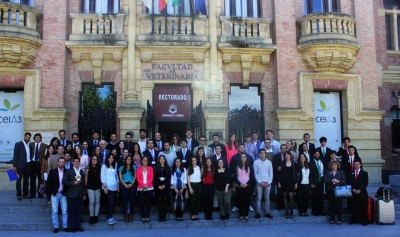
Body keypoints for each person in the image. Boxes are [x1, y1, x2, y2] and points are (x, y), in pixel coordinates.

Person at [62, 157, 86, 232]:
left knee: (78, 211)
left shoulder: (81, 171)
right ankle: (72, 227)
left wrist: (84, 194)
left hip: (80, 194)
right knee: (72, 211)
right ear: (72, 162)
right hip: (72, 194)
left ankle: (78, 226)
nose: (76, 162)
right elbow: (64, 181)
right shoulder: (69, 171)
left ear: (79, 163)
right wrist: (73, 183)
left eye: (77, 161)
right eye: (75, 161)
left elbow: (83, 184)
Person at [47, 157, 68, 233]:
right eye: (60, 162)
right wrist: (51, 192)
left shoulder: (67, 171)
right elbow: (48, 183)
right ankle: (56, 226)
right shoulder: (53, 172)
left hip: (63, 194)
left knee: (65, 211)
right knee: (54, 211)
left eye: (63, 162)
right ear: (57, 163)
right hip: (55, 194)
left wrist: (66, 192)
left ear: (64, 163)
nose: (61, 163)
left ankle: (65, 226)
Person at [254, 149, 273, 219]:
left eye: (263, 153)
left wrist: (269, 182)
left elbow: (271, 173)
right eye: (261, 153)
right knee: (258, 198)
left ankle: (267, 212)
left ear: (265, 154)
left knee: (267, 198)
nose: (262, 154)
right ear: (259, 154)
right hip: (259, 182)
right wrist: (260, 182)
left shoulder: (269, 163)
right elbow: (255, 173)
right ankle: (258, 212)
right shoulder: (256, 162)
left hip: (268, 182)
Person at [324, 160, 346, 225]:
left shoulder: (341, 172)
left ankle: (339, 219)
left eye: (335, 165)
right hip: (330, 191)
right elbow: (325, 180)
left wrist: (339, 181)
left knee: (339, 205)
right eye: (333, 165)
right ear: (331, 166)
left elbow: (344, 180)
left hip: (339, 190)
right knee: (331, 205)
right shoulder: (328, 172)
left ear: (337, 166)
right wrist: (332, 180)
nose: (334, 166)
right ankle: (332, 219)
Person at [234, 153, 254, 221]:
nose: (243, 158)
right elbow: (235, 176)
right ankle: (241, 215)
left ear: (246, 158)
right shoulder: (237, 166)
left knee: (247, 201)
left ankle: (246, 215)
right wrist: (240, 184)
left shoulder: (250, 166)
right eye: (242, 157)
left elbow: (252, 177)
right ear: (240, 158)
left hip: (247, 186)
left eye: (244, 157)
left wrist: (247, 184)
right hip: (239, 186)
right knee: (240, 201)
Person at [348, 159, 369, 226]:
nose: (356, 165)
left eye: (358, 164)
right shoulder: (350, 173)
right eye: (355, 164)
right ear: (353, 165)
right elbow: (348, 182)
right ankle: (353, 220)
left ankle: (364, 221)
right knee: (353, 207)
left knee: (363, 207)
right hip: (353, 193)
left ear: (360, 165)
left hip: (362, 193)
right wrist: (353, 189)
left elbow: (365, 183)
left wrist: (360, 189)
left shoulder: (365, 173)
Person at [101, 153, 119, 225]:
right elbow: (102, 176)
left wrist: (118, 186)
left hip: (114, 186)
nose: (111, 159)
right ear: (107, 158)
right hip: (107, 187)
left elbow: (116, 176)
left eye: (112, 157)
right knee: (110, 203)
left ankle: (110, 217)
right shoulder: (104, 166)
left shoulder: (115, 165)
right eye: (109, 157)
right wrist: (105, 187)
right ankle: (109, 218)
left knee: (113, 203)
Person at [12, 132, 32, 200]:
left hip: (28, 164)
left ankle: (25, 194)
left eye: (29, 137)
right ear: (24, 137)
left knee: (26, 180)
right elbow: (15, 155)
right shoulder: (18, 144)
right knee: (19, 181)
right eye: (27, 137)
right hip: (20, 165)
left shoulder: (29, 145)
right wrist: (14, 166)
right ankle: (19, 194)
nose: (28, 138)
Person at [278, 151, 297, 218]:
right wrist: (279, 182)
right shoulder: (282, 163)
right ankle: (286, 212)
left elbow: (296, 174)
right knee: (285, 196)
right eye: (286, 155)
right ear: (284, 156)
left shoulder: (294, 164)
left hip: (291, 182)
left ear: (290, 156)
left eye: (288, 155)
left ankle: (291, 211)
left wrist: (296, 183)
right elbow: (279, 174)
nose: (287, 156)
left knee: (291, 196)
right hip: (283, 182)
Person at [29, 133, 48, 198]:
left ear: (40, 138)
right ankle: (32, 194)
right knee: (32, 180)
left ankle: (40, 193)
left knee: (41, 180)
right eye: (36, 137)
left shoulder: (45, 146)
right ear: (34, 139)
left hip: (40, 164)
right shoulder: (30, 145)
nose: (37, 139)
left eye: (38, 137)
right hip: (33, 164)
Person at [118, 156, 136, 223]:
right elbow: (120, 178)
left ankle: (131, 215)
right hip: (124, 184)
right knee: (125, 200)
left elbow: (135, 176)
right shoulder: (121, 168)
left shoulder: (134, 167)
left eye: (130, 159)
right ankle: (125, 215)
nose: (128, 160)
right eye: (127, 159)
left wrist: (131, 183)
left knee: (132, 200)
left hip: (132, 184)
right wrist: (124, 184)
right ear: (125, 160)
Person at [137, 156, 154, 223]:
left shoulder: (151, 168)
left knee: (148, 203)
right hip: (141, 188)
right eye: (144, 160)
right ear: (142, 161)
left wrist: (146, 185)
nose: (145, 161)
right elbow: (138, 178)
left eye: (146, 160)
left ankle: (147, 217)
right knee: (142, 203)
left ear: (147, 161)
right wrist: (143, 185)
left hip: (149, 188)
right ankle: (143, 217)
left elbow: (151, 178)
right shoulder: (138, 169)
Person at [85, 155, 102, 224]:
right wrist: (85, 186)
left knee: (97, 202)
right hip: (90, 186)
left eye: (96, 159)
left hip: (98, 186)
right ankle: (91, 216)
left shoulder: (100, 167)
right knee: (91, 202)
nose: (94, 160)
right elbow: (86, 177)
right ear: (91, 160)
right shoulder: (88, 167)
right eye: (93, 159)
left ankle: (96, 216)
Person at [154, 155, 171, 222]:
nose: (161, 160)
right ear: (159, 160)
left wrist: (164, 185)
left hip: (165, 186)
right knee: (159, 200)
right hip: (158, 186)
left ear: (165, 160)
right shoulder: (156, 167)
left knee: (164, 200)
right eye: (160, 159)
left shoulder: (168, 167)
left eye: (163, 159)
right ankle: (160, 215)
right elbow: (154, 178)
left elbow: (169, 178)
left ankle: (164, 215)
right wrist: (158, 186)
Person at [272, 144, 287, 209]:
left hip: (286, 177)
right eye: (282, 148)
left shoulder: (288, 156)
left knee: (285, 192)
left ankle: (286, 205)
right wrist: (277, 168)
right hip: (278, 176)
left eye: (284, 148)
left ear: (286, 149)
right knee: (279, 192)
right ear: (280, 149)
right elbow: (273, 166)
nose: (283, 149)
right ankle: (279, 205)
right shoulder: (276, 156)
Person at [309, 150, 325, 216]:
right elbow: (309, 174)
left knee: (320, 197)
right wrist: (311, 183)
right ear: (313, 155)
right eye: (316, 154)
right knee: (314, 197)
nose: (317, 155)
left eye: (318, 154)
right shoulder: (311, 163)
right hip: (314, 182)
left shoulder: (322, 161)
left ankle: (321, 210)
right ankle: (315, 211)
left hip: (321, 181)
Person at [187, 156, 202, 221]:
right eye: (192, 160)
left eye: (195, 160)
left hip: (198, 184)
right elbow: (188, 179)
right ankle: (192, 214)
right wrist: (190, 188)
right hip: (192, 185)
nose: (194, 161)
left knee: (198, 200)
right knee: (193, 200)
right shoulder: (189, 168)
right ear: (191, 161)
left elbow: (200, 176)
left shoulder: (199, 167)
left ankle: (196, 214)